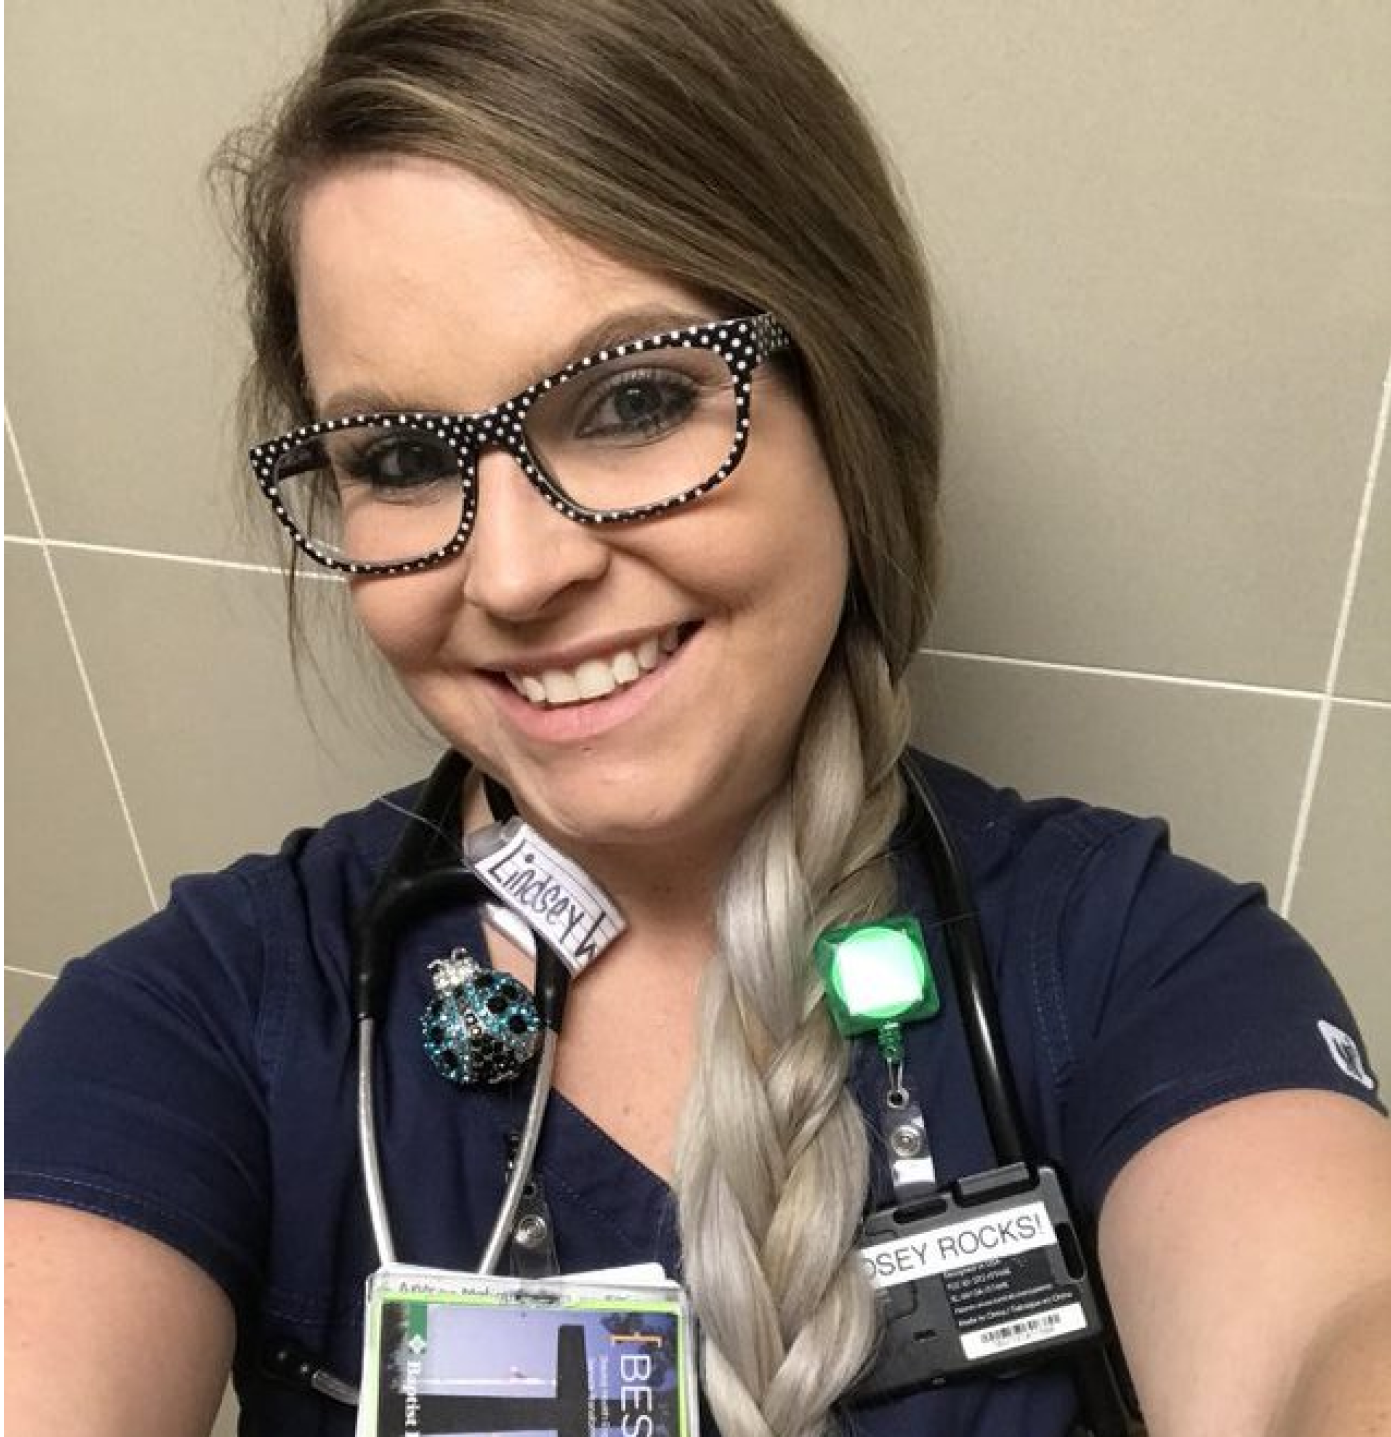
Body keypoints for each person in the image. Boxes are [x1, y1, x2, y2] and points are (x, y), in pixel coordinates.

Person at [5, 2, 1390, 1435]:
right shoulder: (204, 1024)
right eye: (406, 455)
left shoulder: (1135, 972)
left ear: (845, 404)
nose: (518, 572)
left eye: (633, 402)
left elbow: (1322, 1338)